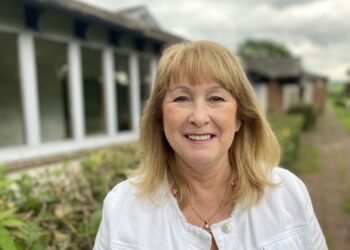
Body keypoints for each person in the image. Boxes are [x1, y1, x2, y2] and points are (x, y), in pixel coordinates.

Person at [93, 40, 327, 250]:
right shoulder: (121, 207)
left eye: (216, 98)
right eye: (181, 98)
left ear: (239, 117)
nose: (199, 117)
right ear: (160, 119)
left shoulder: (287, 192)